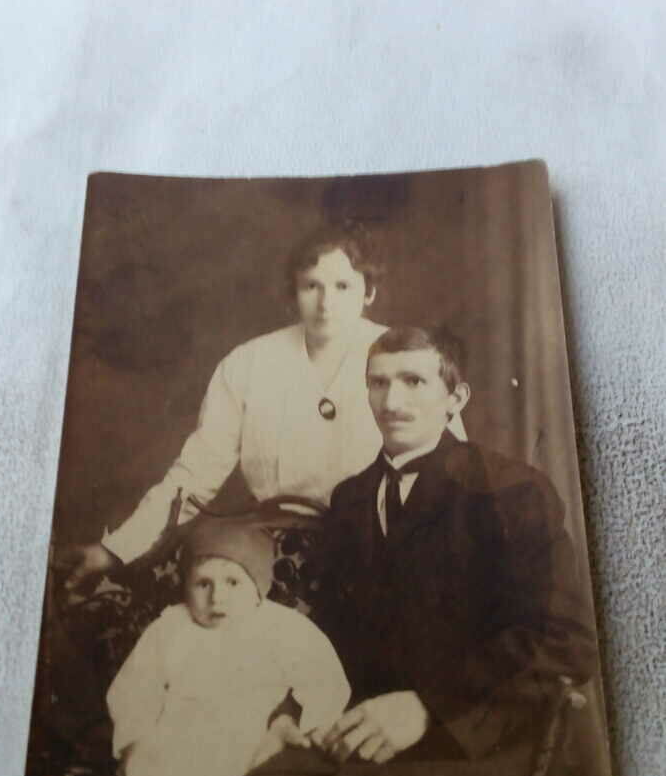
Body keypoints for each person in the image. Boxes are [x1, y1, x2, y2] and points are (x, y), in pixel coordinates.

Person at [209, 324, 598, 776]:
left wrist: (425, 707)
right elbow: (323, 639)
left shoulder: (510, 491)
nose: (393, 399)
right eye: (379, 381)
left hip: (474, 753)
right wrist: (289, 711)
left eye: (414, 381)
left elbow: (564, 642)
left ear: (455, 396)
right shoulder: (354, 500)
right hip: (366, 742)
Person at [65, 228, 465, 593]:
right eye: (312, 286)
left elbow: (451, 466)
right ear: (293, 293)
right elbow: (195, 474)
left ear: (369, 292)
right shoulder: (249, 363)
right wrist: (115, 549)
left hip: (383, 546)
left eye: (343, 286)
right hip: (274, 548)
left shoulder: (406, 357)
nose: (326, 303)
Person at [79, 518, 349, 776]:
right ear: (185, 586)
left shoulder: (284, 629)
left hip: (243, 742)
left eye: (233, 583)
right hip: (174, 734)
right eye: (202, 583)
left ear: (258, 588)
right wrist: (134, 739)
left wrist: (293, 721)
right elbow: (136, 687)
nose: (216, 597)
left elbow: (324, 679)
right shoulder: (170, 627)